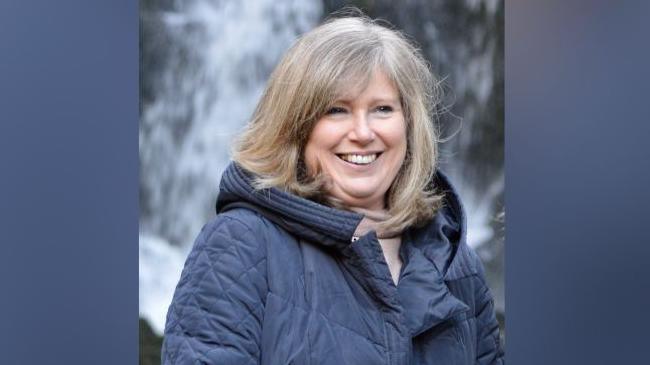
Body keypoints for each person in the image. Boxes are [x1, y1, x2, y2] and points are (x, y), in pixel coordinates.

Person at [162, 14, 504, 365]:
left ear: (409, 124)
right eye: (336, 110)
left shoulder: (455, 262)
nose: (363, 132)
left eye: (382, 109)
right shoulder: (239, 245)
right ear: (295, 127)